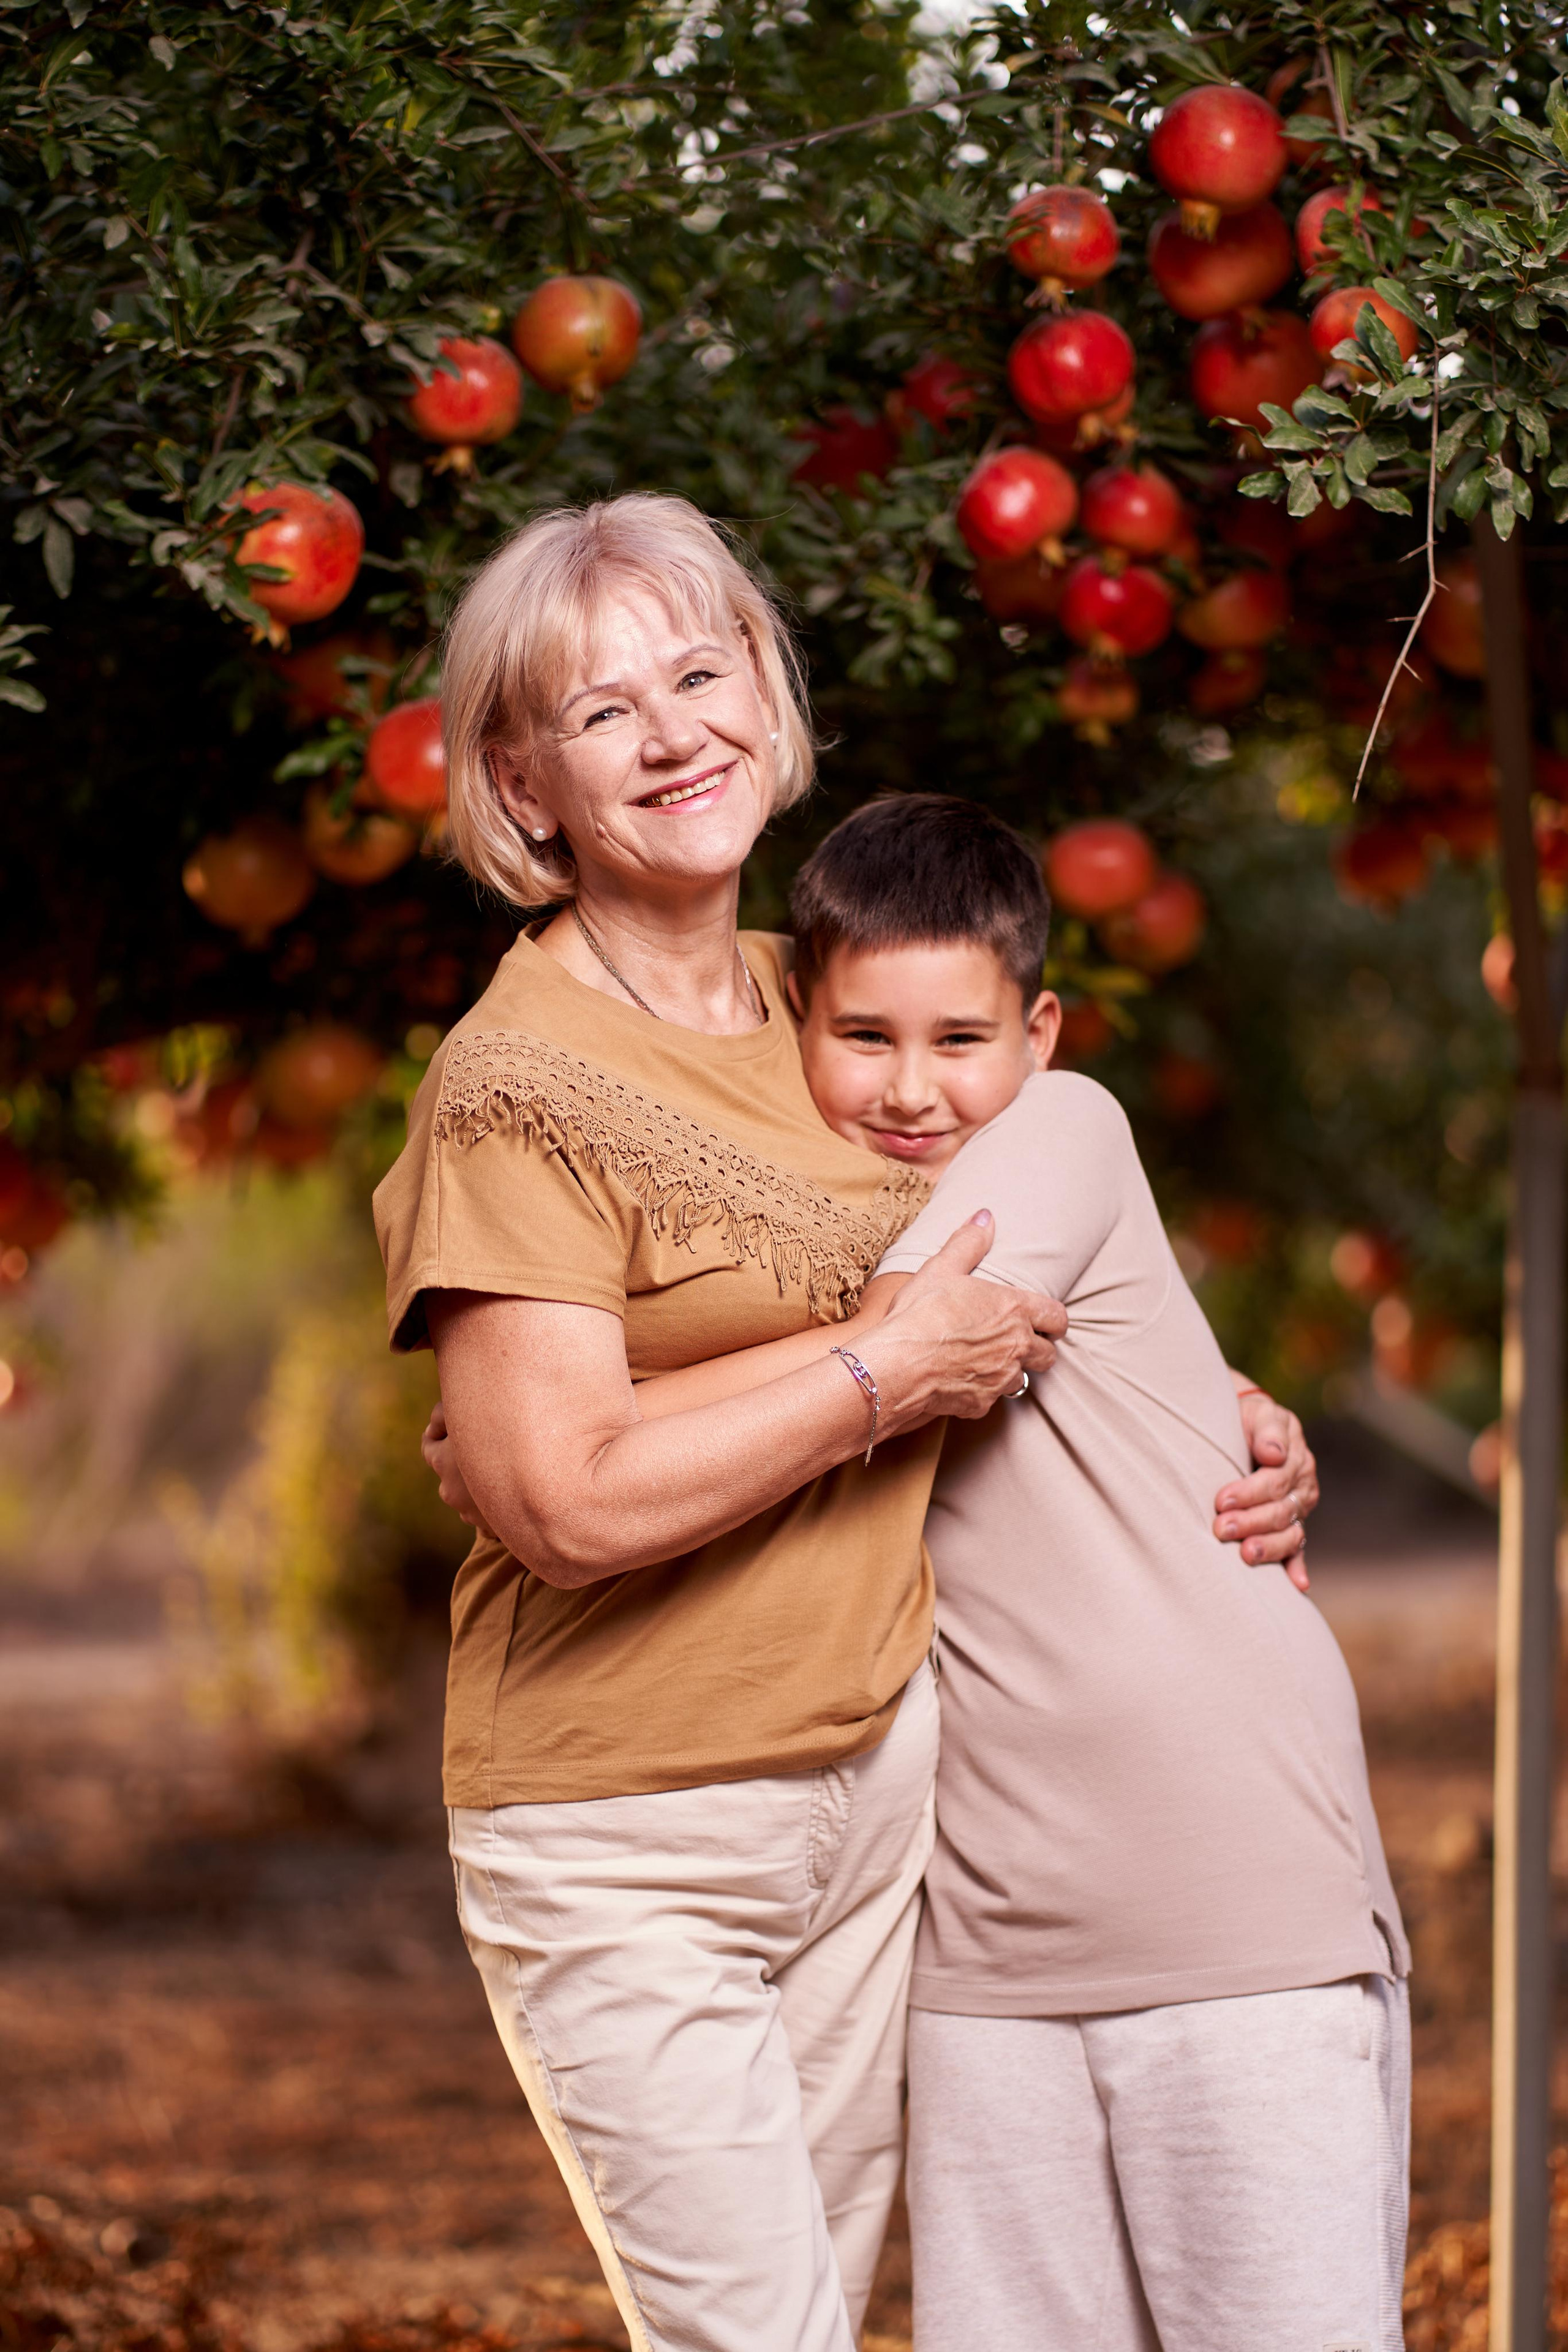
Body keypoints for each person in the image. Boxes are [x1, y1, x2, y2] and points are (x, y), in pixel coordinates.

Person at [383, 492, 1319, 2352]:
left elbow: (1002, 1293)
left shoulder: (833, 1014)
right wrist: (877, 1367)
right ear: (524, 778)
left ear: (765, 691)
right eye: (602, 711)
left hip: (885, 1794)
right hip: (626, 1820)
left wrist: (1211, 1413)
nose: (675, 735)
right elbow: (563, 1503)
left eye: (702, 672)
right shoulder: (515, 1085)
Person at [518, 793, 1401, 2352]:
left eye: (960, 1040)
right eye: (862, 1037)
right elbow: (832, 1361)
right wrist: (546, 1429)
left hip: (1235, 1900)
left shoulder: (1063, 1129)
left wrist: (572, 1430)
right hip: (977, 1951)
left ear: (1039, 1031)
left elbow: (909, 1331)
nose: (914, 1091)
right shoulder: (792, 1224)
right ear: (794, 1022)